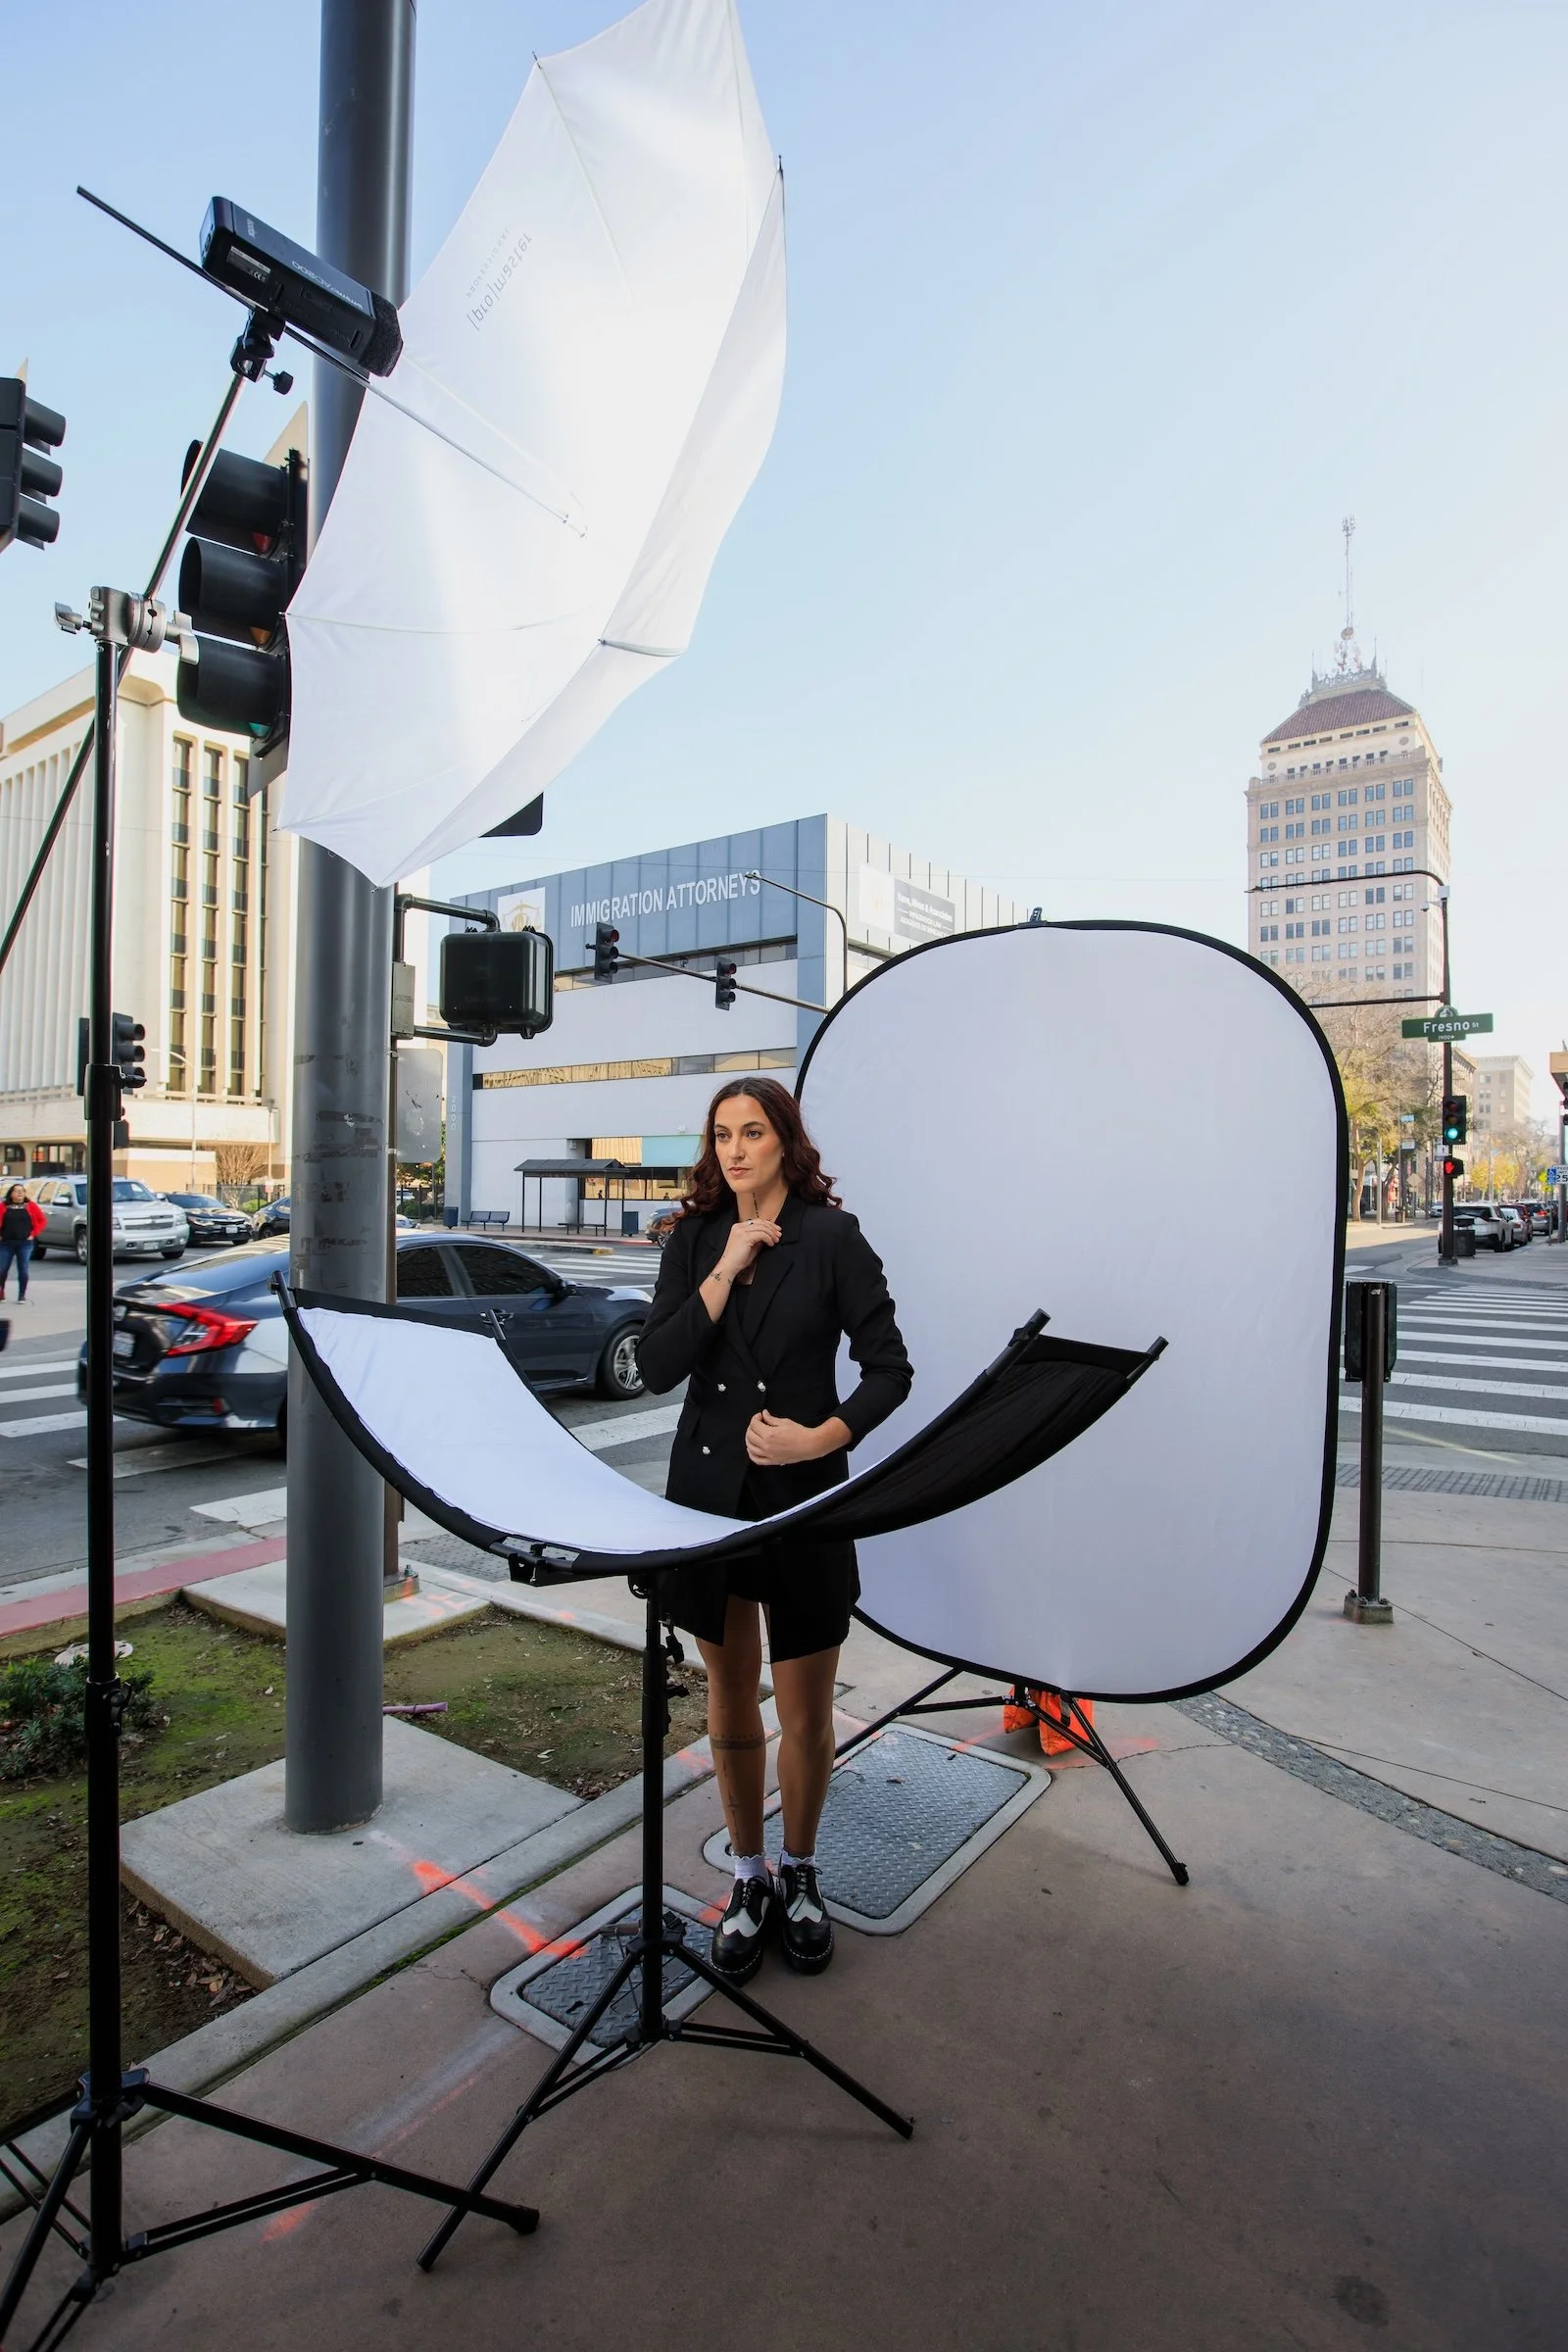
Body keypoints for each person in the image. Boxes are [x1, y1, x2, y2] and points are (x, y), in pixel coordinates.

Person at [638, 1077, 911, 1983]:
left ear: (785, 1140)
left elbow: (888, 1370)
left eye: (753, 1132)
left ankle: (800, 1874)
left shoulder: (834, 1238)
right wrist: (725, 1264)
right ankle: (747, 1877)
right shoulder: (691, 1241)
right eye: (722, 1135)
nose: (736, 1150)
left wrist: (820, 1436)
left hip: (803, 1497)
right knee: (729, 1693)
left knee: (803, 1704)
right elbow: (657, 1366)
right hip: (709, 1496)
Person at [0, 1183, 44, 1302]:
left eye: (22, 1191)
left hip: (25, 1243)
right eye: (17, 1191)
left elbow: (42, 1221)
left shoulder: (30, 1206)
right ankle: (1, 1292)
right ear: (11, 1193)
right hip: (6, 1243)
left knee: (23, 1269)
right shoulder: (4, 1206)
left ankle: (21, 1295)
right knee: (2, 1269)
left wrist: (33, 1234)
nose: (20, 1193)